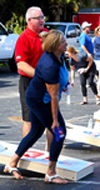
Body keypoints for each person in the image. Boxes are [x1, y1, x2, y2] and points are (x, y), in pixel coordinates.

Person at [4, 30, 69, 184]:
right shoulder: (50, 65)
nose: (66, 43)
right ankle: (51, 173)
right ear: (55, 46)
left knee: (35, 131)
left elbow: (59, 80)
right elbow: (52, 97)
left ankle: (11, 163)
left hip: (37, 97)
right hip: (40, 101)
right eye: (63, 42)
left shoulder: (58, 56)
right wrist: (54, 120)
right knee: (59, 132)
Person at [15, 7, 47, 138]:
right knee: (29, 120)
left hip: (46, 81)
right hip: (29, 82)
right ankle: (25, 152)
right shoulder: (23, 39)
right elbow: (21, 64)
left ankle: (51, 154)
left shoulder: (46, 33)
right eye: (38, 18)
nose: (42, 20)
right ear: (29, 20)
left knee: (50, 118)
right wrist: (38, 75)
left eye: (42, 17)